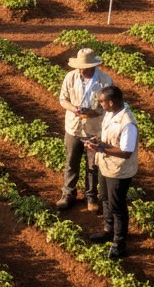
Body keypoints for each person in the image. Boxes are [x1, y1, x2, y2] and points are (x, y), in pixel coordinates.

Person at [57, 48, 113, 211]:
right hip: (74, 128)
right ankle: (68, 193)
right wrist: (75, 109)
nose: (81, 70)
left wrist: (93, 112)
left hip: (94, 130)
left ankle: (91, 196)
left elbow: (109, 106)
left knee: (92, 165)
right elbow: (63, 99)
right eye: (80, 67)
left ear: (93, 66)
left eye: (85, 67)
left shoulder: (104, 81)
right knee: (71, 162)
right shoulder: (71, 77)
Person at [86, 85, 139, 259]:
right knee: (105, 199)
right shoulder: (111, 113)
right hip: (106, 166)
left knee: (117, 206)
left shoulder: (127, 123)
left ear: (111, 102)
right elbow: (110, 138)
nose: (100, 104)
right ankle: (109, 230)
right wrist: (98, 142)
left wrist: (101, 148)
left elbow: (126, 152)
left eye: (102, 101)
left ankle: (119, 244)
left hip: (119, 171)